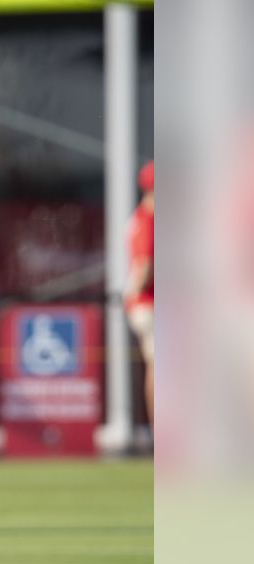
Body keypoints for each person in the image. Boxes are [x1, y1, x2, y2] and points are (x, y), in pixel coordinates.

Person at [125, 160, 154, 426]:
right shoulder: (148, 220)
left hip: (141, 304)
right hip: (150, 303)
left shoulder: (138, 217)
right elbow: (144, 268)